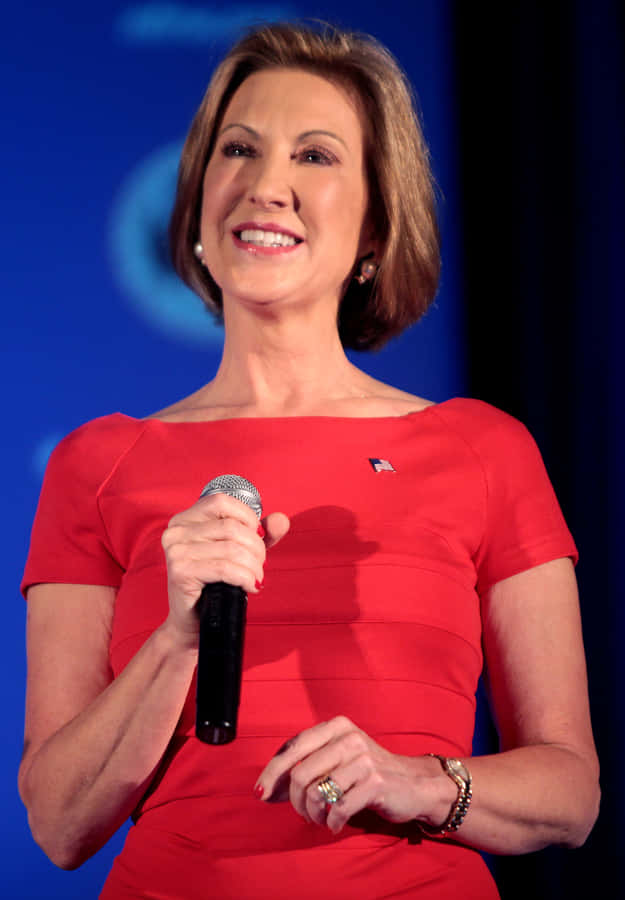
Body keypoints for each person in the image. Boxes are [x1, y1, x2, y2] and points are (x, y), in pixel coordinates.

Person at [19, 21, 599, 900]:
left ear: (374, 228)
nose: (266, 185)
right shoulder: (98, 462)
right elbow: (59, 825)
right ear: (200, 204)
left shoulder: (481, 448)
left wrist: (419, 782)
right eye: (239, 148)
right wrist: (176, 639)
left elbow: (569, 793)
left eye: (316, 156)